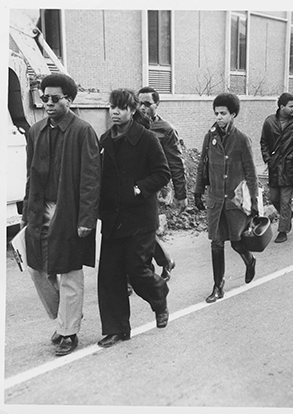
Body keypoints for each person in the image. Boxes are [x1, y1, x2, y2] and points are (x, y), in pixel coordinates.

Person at [21, 73, 101, 356]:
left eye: (56, 98)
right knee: (37, 267)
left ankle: (69, 330)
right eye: (45, 98)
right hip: (39, 208)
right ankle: (66, 317)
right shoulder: (36, 131)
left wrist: (86, 219)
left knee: (68, 270)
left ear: (69, 100)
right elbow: (30, 175)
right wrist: (26, 213)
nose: (49, 103)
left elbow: (91, 179)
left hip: (69, 209)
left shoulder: (83, 131)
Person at [97, 89, 171, 348]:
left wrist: (139, 188)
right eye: (112, 107)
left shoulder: (147, 139)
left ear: (132, 110)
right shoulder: (104, 141)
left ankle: (159, 295)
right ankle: (117, 329)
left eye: (121, 108)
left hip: (140, 217)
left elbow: (163, 173)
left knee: (137, 270)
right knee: (109, 275)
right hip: (113, 218)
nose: (115, 112)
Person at [194, 93, 259, 303]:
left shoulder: (242, 140)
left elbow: (251, 174)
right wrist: (197, 191)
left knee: (237, 242)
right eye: (216, 113)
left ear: (233, 114)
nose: (219, 117)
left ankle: (249, 261)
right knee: (216, 243)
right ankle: (218, 286)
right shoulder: (209, 137)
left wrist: (255, 205)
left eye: (223, 113)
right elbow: (203, 165)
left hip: (235, 202)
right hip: (215, 201)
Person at [137, 86, 188, 281]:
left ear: (157, 105)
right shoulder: (130, 124)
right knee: (140, 229)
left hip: (154, 187)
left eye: (147, 104)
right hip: (132, 185)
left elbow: (176, 163)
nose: (142, 108)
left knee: (144, 228)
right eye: (139, 103)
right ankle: (162, 262)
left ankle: (153, 266)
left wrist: (181, 195)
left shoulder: (166, 130)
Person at [260, 93, 293, 243]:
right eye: (291, 106)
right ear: (282, 107)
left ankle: (283, 230)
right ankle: (287, 217)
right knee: (274, 198)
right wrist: (268, 158)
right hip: (274, 167)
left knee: (285, 200)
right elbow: (264, 142)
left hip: (289, 167)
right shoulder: (269, 122)